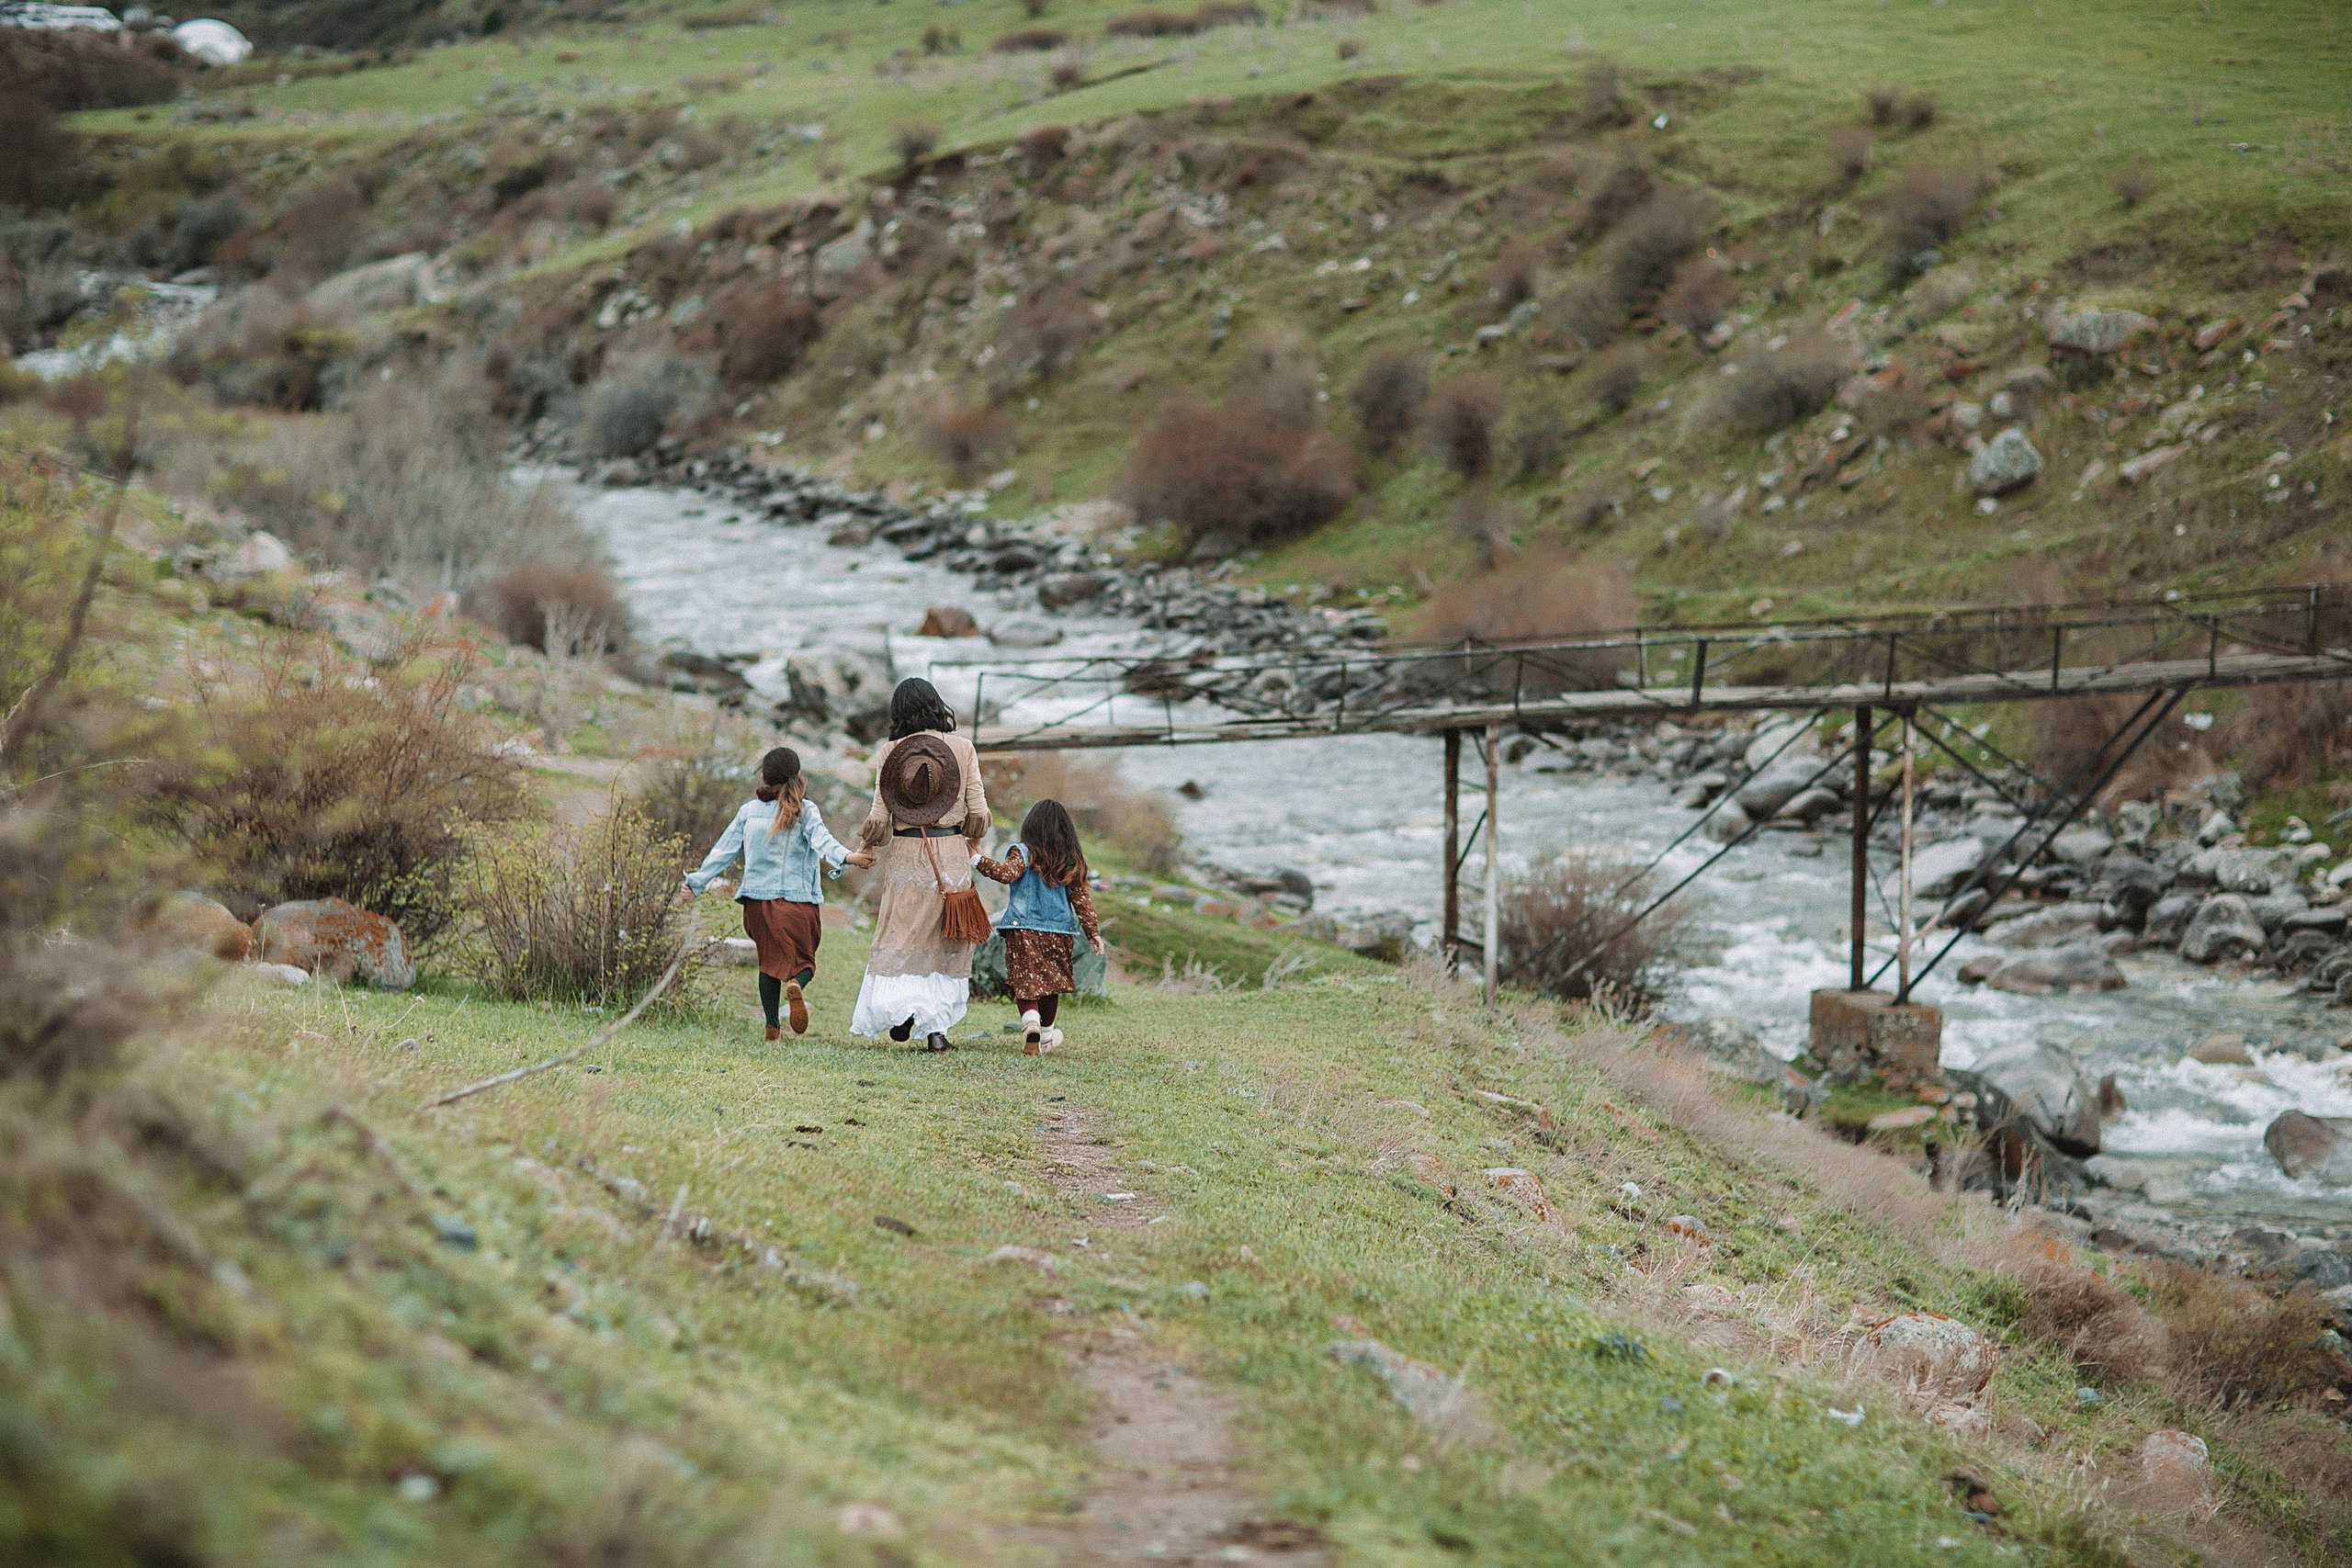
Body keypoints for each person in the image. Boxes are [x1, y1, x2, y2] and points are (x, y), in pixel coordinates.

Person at [684, 747, 875, 1041]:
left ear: (764, 777)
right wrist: (849, 858)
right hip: (796, 903)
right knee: (805, 964)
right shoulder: (806, 810)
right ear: (798, 776)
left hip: (757, 904)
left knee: (768, 963)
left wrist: (696, 882)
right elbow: (824, 843)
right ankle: (796, 985)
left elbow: (722, 852)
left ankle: (772, 1028)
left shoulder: (748, 812)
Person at [850, 678, 990, 1051]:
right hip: (952, 856)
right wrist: (972, 840)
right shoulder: (962, 749)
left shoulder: (892, 752)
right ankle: (936, 1031)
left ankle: (904, 1011)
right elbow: (979, 811)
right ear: (936, 705)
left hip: (907, 855)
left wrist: (866, 849)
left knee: (903, 935)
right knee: (945, 940)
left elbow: (879, 817)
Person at [974, 798, 1102, 1055]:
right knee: (1050, 985)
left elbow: (1005, 874)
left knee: (1026, 980)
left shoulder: (1022, 852)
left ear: (1030, 826)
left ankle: (1029, 1023)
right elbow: (1081, 900)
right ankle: (1045, 1036)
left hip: (1023, 930)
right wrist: (1093, 933)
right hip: (1059, 933)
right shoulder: (1071, 859)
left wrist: (978, 859)